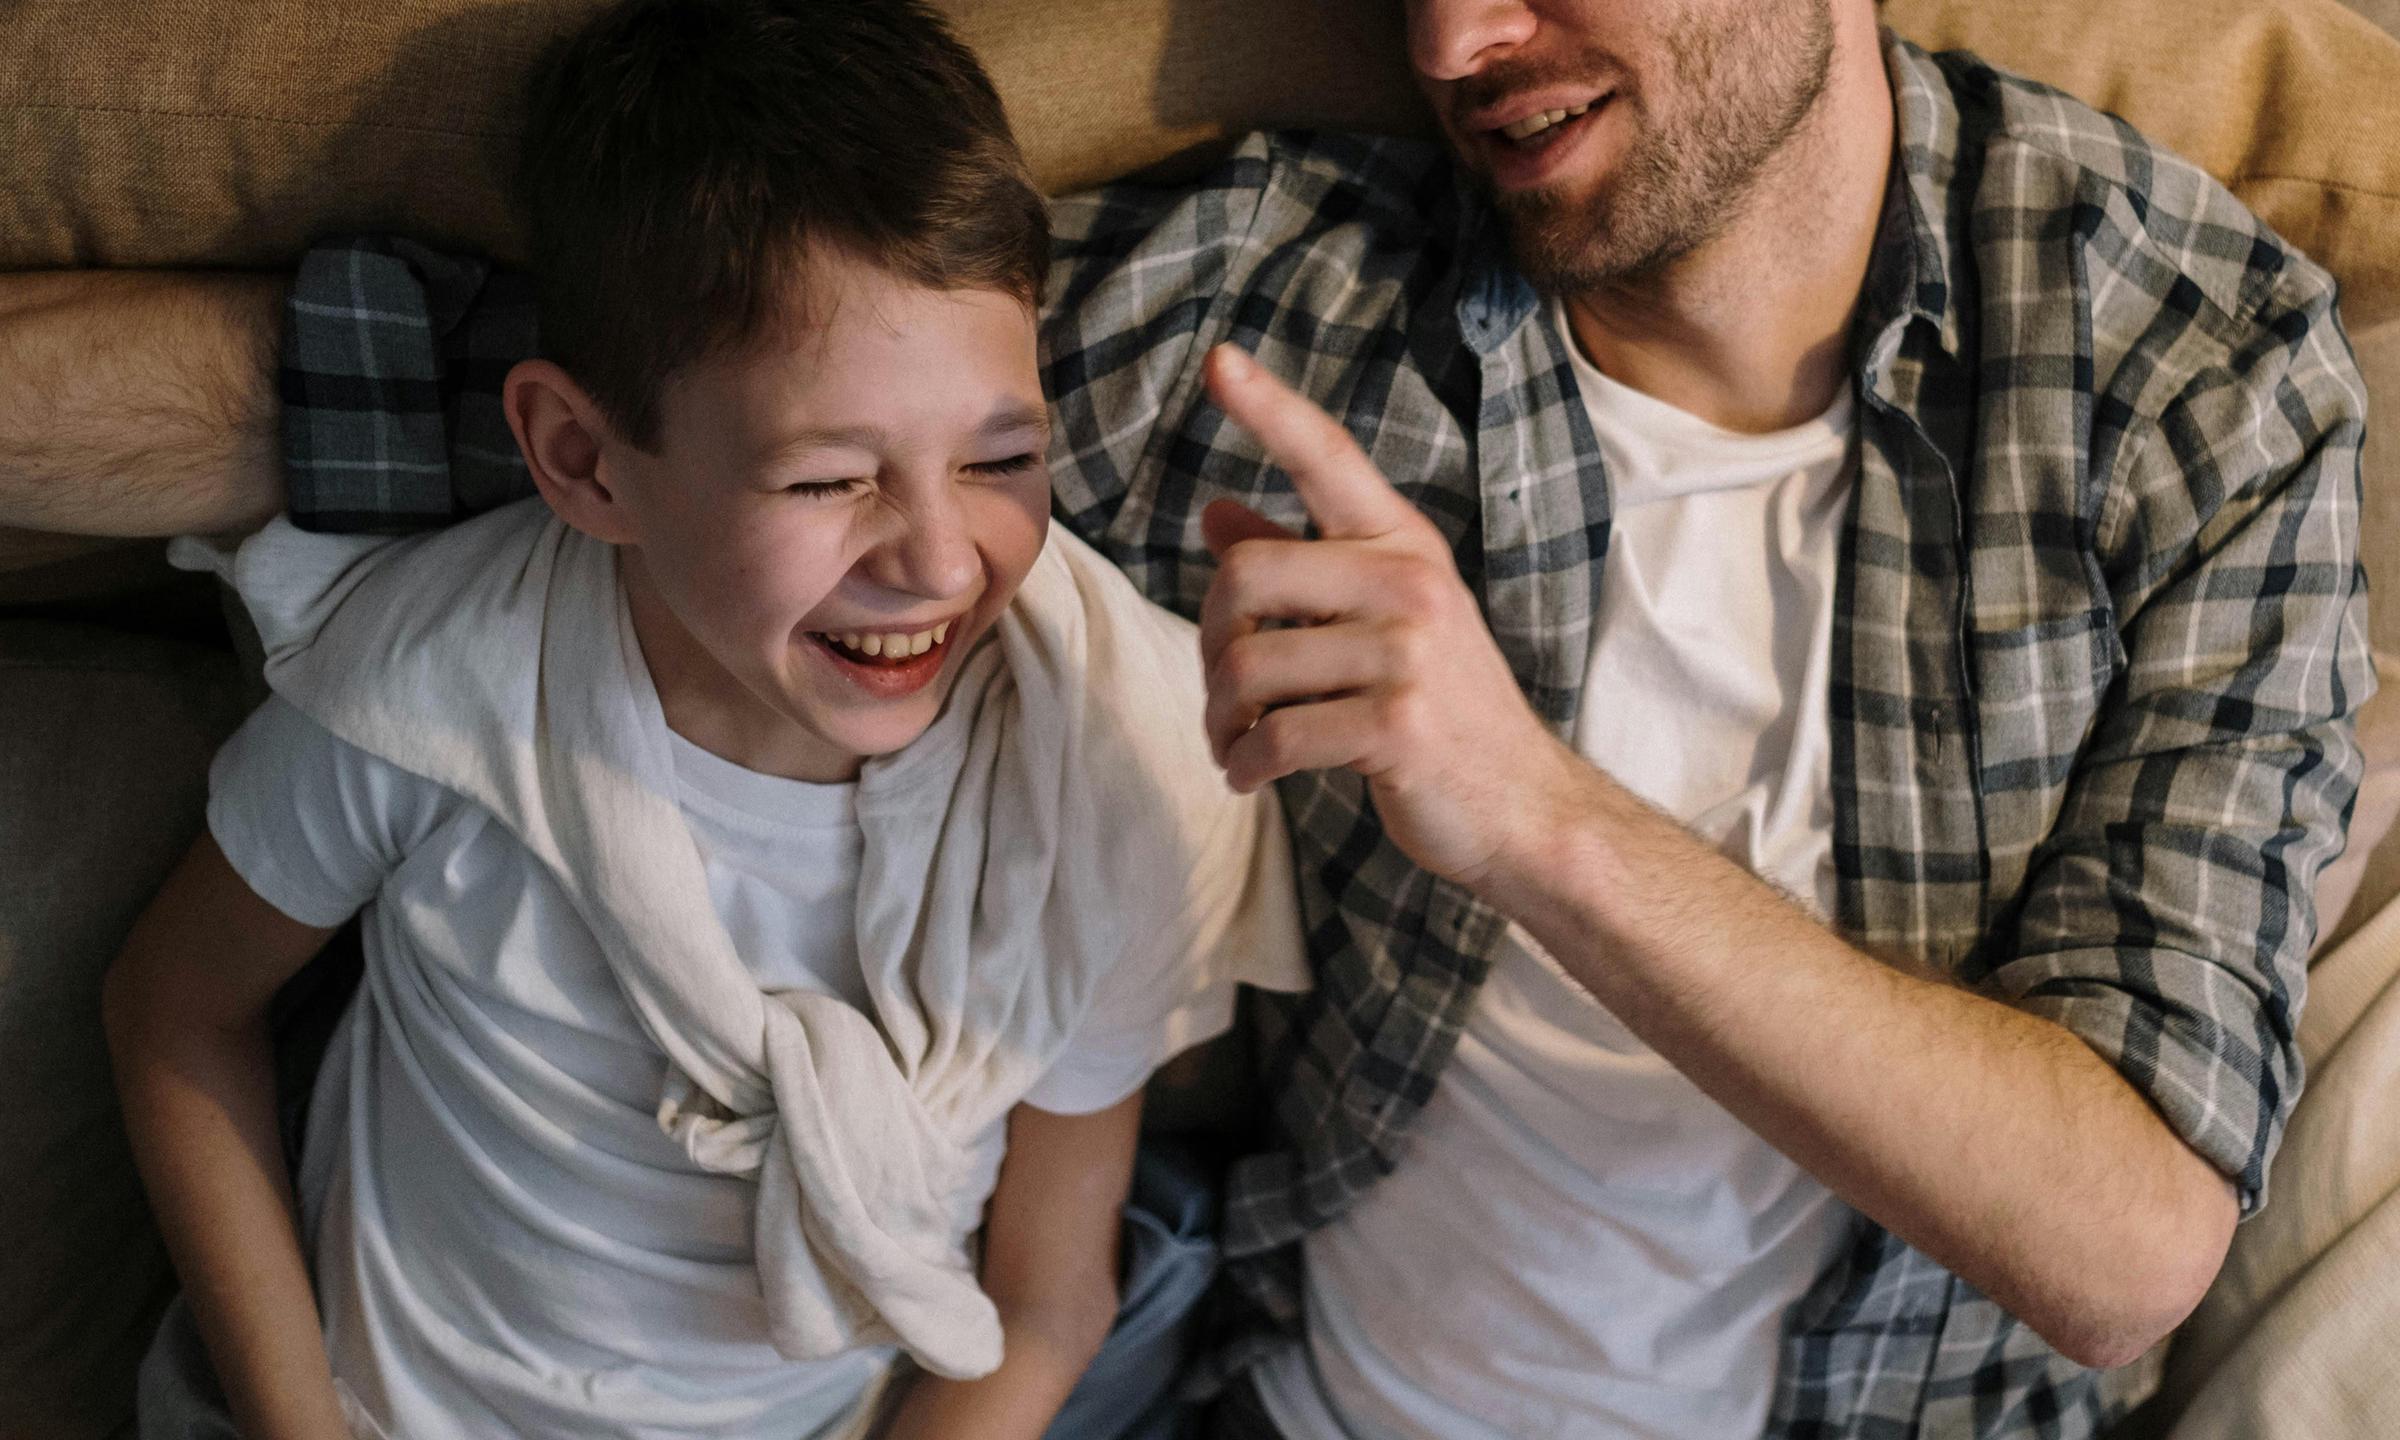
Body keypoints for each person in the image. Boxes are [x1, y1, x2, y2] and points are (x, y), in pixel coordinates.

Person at [5, 0, 2372, 1435]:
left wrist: (1530, 814)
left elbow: (2130, 1240)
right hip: (1268, 1388)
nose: (1448, 46)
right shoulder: (1289, 295)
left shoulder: (2191, 367)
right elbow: (680, 402)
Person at [92, 3, 1303, 1438]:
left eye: (1002, 455)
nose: (934, 558)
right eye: (825, 480)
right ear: (584, 460)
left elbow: (1046, 1300)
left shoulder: (1133, 759)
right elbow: (174, 1012)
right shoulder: (434, 693)